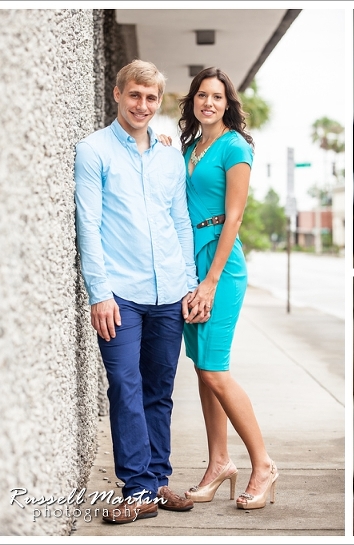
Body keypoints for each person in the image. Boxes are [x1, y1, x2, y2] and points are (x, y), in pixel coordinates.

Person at [74, 59, 198, 523]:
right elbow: (88, 224)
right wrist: (98, 293)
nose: (142, 105)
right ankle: (136, 488)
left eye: (151, 98)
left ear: (158, 101)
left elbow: (180, 222)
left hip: (169, 290)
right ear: (118, 94)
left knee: (159, 389)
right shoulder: (93, 151)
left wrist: (187, 283)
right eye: (134, 95)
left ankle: (158, 480)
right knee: (125, 386)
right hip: (120, 293)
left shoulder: (169, 156)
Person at [175, 67, 278, 510]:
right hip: (190, 263)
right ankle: (219, 463)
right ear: (193, 102)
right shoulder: (189, 148)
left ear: (227, 103)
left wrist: (211, 282)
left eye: (217, 96)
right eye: (202, 95)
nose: (209, 103)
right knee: (202, 368)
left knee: (216, 368)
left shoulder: (235, 147)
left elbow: (233, 218)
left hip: (221, 265)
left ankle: (264, 465)